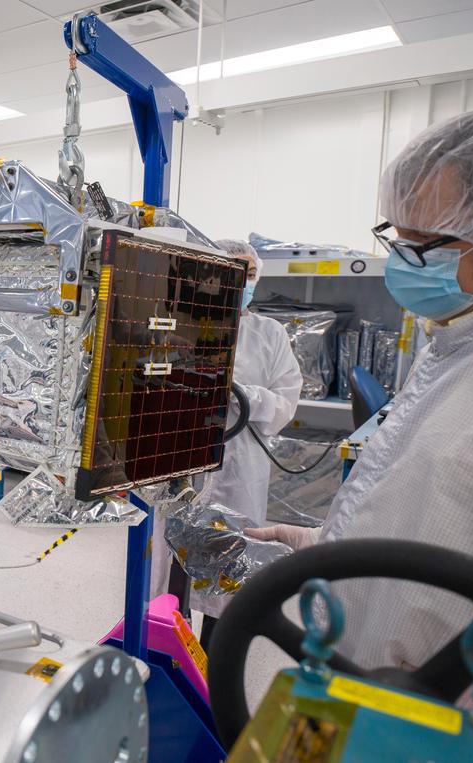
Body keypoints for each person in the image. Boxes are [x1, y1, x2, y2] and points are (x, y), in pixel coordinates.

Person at [249, 104, 473, 761]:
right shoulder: (469, 329)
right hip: (365, 696)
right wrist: (325, 545)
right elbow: (456, 511)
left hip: (466, 734)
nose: (403, 263)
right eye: (398, 236)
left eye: (425, 245)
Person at [152, 240, 302, 646]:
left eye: (249, 274)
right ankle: (169, 651)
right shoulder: (175, 323)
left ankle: (216, 660)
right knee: (171, 574)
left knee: (227, 572)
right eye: (233, 273)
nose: (242, 283)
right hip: (178, 464)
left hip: (239, 471)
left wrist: (237, 393)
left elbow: (286, 404)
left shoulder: (269, 335)